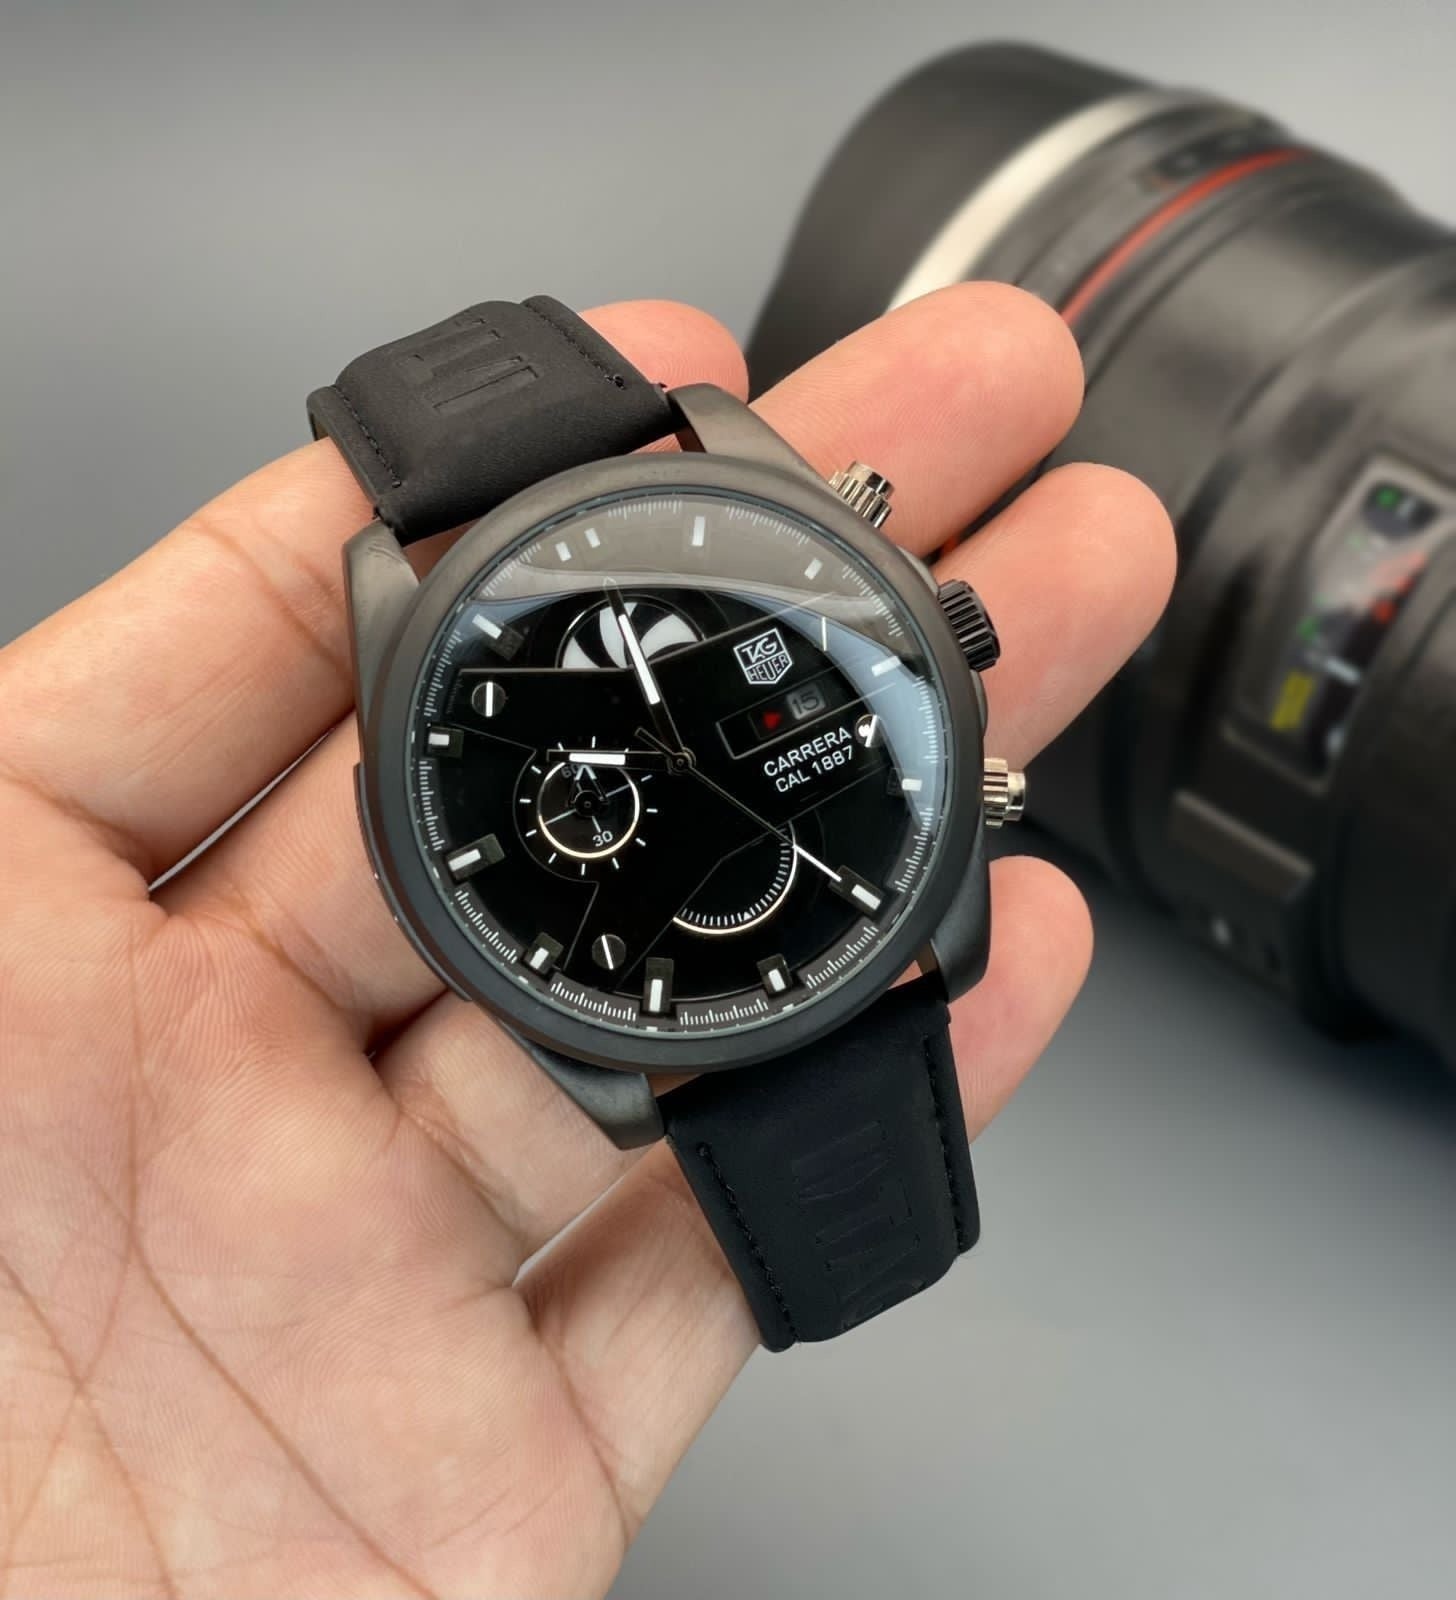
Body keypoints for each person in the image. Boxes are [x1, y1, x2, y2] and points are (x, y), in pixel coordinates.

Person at [0, 285, 1173, 1597]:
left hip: (842, 918)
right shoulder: (460, 594)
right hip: (703, 981)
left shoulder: (697, 487)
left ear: (943, 628)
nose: (683, 766)